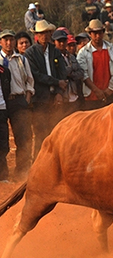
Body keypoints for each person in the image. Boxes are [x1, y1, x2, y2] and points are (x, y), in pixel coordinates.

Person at [24, 20, 68, 157]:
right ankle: (37, 164)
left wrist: (59, 92)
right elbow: (35, 75)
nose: (45, 36)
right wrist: (57, 82)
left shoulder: (55, 51)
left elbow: (63, 73)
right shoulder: (30, 53)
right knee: (40, 134)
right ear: (36, 35)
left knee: (55, 132)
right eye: (41, 33)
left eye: (47, 32)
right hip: (40, 99)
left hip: (55, 98)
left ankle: (54, 163)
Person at [0, 30, 35, 179]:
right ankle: (3, 174)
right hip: (2, 102)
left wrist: (27, 97)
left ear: (15, 41)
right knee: (2, 140)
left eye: (11, 40)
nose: (9, 43)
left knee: (23, 137)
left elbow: (30, 80)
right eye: (5, 40)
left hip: (18, 100)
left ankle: (23, 171)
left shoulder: (22, 59)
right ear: (0, 42)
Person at [76, 19, 113, 110]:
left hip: (110, 94)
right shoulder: (83, 52)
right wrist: (96, 90)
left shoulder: (112, 49)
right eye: (94, 33)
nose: (97, 36)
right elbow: (83, 74)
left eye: (100, 33)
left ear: (103, 32)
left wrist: (110, 89)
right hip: (92, 96)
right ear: (90, 34)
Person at [52, 29, 84, 116]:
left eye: (64, 41)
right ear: (54, 42)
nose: (62, 43)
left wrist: (70, 73)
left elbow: (81, 73)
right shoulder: (51, 57)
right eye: (59, 41)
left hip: (75, 97)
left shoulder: (71, 56)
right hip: (62, 98)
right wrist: (71, 70)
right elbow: (60, 73)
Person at [0, 63, 11, 181]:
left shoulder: (4, 71)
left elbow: (7, 90)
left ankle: (3, 175)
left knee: (3, 144)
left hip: (2, 109)